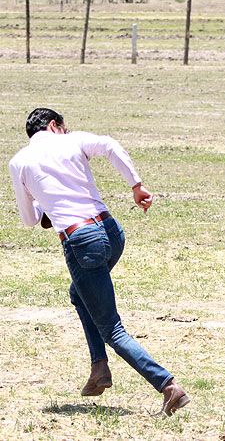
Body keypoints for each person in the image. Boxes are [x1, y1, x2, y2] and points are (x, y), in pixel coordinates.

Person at [9, 108, 190, 416]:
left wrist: (42, 201)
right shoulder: (72, 141)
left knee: (113, 330)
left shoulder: (19, 162)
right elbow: (110, 145)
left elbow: (30, 219)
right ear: (55, 125)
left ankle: (168, 386)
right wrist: (136, 185)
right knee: (78, 294)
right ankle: (99, 368)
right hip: (111, 232)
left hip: (81, 243)